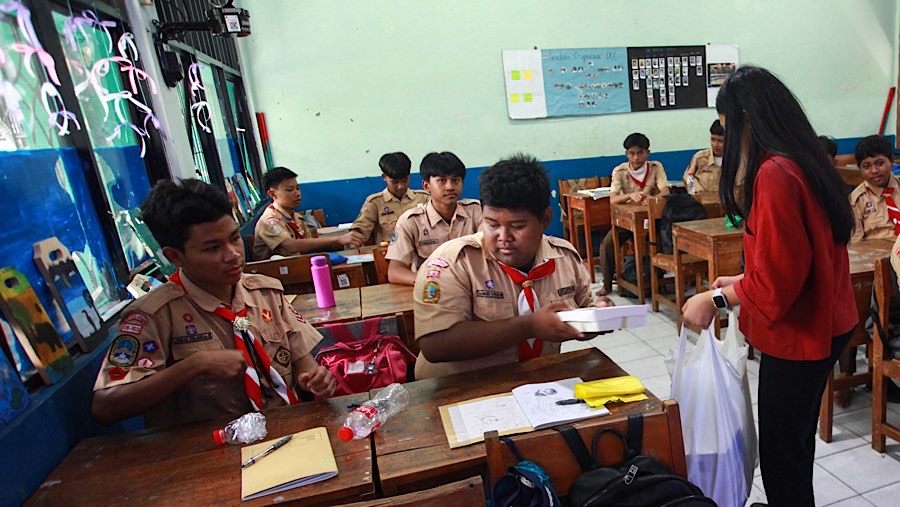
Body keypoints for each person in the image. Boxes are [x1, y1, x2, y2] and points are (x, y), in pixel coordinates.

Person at [681, 65, 857, 507]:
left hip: (800, 334)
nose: (728, 139)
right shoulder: (805, 161)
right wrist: (742, 281)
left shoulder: (775, 174)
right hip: (828, 320)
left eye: (728, 127)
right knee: (795, 443)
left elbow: (780, 281)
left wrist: (716, 299)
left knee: (781, 453)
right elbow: (796, 258)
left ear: (745, 118)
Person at [93, 179, 337, 427]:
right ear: (174, 256)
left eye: (234, 238)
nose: (233, 254)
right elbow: (105, 406)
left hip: (289, 429)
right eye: (212, 248)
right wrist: (194, 365)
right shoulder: (154, 315)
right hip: (215, 451)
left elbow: (302, 361)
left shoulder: (266, 292)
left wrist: (315, 378)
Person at [412, 154, 612, 379]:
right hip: (458, 389)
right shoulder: (453, 262)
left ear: (545, 219)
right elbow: (434, 345)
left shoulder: (563, 257)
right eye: (492, 224)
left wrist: (598, 318)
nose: (503, 237)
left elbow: (586, 308)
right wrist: (529, 327)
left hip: (536, 383)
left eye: (517, 226)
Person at [385, 151, 482, 285]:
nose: (450, 187)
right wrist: (430, 281)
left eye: (456, 180)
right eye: (442, 181)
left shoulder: (477, 211)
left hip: (473, 285)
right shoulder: (412, 221)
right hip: (432, 290)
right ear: (426, 186)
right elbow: (395, 271)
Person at [597, 132, 670, 296]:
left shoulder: (656, 167)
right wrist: (630, 196)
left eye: (640, 153)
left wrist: (652, 199)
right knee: (607, 245)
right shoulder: (620, 171)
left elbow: (665, 190)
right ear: (626, 154)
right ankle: (607, 284)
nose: (636, 157)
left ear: (647, 153)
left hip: (649, 219)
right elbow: (613, 199)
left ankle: (657, 281)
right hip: (626, 222)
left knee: (660, 241)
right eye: (631, 153)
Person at [253, 167, 364, 260]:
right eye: (290, 190)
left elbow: (307, 246)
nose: (297, 193)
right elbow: (290, 246)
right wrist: (337, 239)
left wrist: (340, 243)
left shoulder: (296, 218)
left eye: (298, 188)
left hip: (300, 266)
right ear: (273, 194)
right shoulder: (269, 220)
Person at [349, 152, 430, 245]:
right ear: (384, 177)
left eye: (404, 181)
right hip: (388, 254)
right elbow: (358, 234)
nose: (400, 186)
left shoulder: (423, 198)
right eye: (395, 182)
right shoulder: (375, 203)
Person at [848, 135, 900, 242]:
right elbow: (855, 242)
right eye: (866, 166)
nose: (874, 171)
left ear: (892, 161)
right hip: (876, 254)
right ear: (859, 168)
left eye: (880, 163)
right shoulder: (856, 200)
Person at [683, 119, 725, 194]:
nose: (715, 145)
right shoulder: (700, 158)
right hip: (702, 202)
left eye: (720, 141)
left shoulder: (737, 161)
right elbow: (688, 177)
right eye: (712, 140)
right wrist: (696, 192)